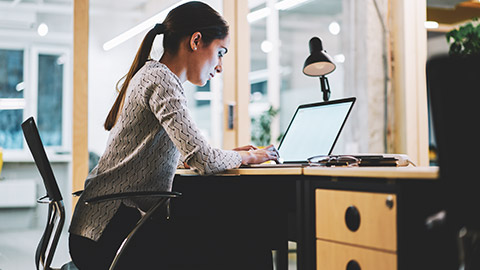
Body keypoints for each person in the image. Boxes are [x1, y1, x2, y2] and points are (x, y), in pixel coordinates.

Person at [68, 1, 279, 269]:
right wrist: (248, 157)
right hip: (108, 234)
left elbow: (179, 157)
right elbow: (203, 159)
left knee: (232, 233)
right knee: (246, 237)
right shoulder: (161, 80)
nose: (220, 66)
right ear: (196, 41)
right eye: (220, 52)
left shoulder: (154, 75)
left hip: (103, 229)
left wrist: (232, 156)